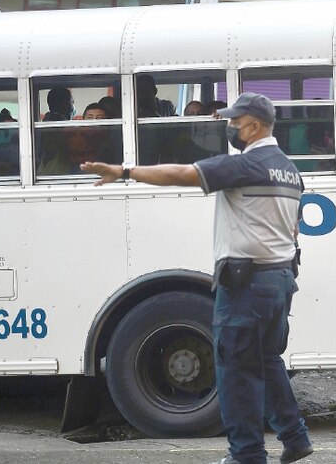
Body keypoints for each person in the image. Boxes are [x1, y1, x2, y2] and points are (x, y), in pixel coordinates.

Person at [80, 92, 313, 464]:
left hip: (247, 285)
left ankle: (247, 454)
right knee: (267, 363)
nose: (231, 127)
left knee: (236, 372)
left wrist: (124, 172)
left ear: (253, 126)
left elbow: (181, 173)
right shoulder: (288, 169)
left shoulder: (248, 164)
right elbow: (295, 228)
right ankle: (294, 437)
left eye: (235, 122)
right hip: (280, 280)